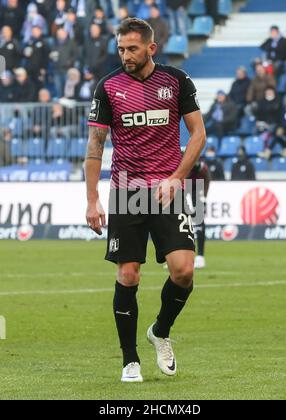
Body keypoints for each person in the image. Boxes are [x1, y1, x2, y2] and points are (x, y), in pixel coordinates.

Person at [85, 18, 206, 382]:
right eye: (121, 49)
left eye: (133, 49)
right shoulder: (108, 87)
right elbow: (95, 146)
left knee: (183, 271)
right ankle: (129, 359)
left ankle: (160, 331)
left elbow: (198, 133)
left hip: (167, 189)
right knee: (128, 274)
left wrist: (177, 178)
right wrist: (92, 200)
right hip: (125, 190)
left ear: (151, 48)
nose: (126, 55)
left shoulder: (176, 80)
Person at [187, 158, 211, 269]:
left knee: (198, 221)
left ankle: (200, 256)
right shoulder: (174, 159)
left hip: (196, 191)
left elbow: (206, 174)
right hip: (181, 190)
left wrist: (204, 195)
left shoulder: (198, 164)